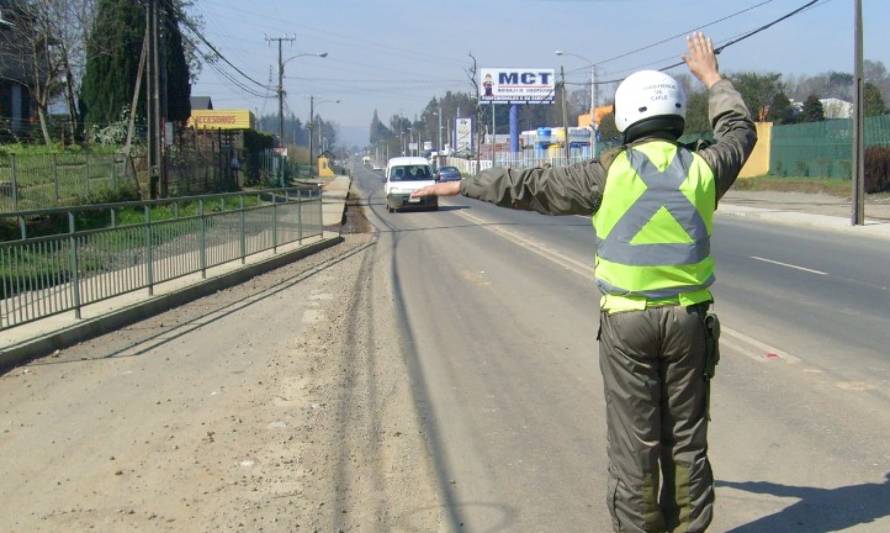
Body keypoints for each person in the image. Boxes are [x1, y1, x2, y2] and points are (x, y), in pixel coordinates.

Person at [412, 33, 756, 533]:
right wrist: (712, 77)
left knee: (634, 443)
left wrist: (461, 183)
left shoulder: (605, 175)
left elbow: (527, 186)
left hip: (627, 326)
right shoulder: (704, 169)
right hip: (688, 322)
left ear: (626, 117)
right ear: (676, 114)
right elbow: (739, 130)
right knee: (687, 440)